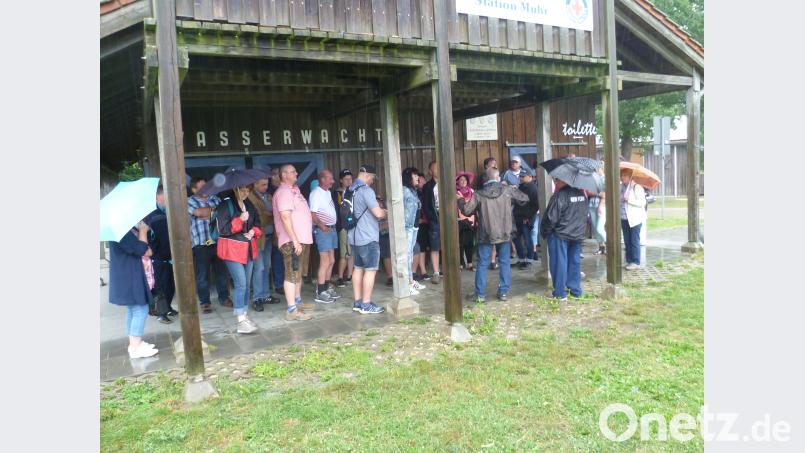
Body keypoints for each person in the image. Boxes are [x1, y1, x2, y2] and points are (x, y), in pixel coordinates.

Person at [458, 167, 529, 303]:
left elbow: (466, 210)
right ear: (498, 178)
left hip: (486, 233)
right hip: (505, 232)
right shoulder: (507, 190)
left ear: (486, 179)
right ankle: (503, 293)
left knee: (482, 264)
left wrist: (460, 200)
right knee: (504, 262)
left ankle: (480, 295)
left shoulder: (478, 194)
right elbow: (524, 199)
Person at [216, 184, 263, 334]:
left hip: (248, 249)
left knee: (246, 284)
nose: (245, 193)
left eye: (248, 190)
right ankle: (240, 321)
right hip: (232, 250)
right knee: (241, 283)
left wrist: (252, 231)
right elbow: (223, 229)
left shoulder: (249, 204)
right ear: (235, 189)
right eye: (242, 190)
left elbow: (258, 223)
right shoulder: (225, 205)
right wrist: (240, 220)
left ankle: (244, 314)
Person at [109, 220, 159, 358]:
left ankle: (134, 343)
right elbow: (142, 250)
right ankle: (136, 347)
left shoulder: (123, 229)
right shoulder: (121, 232)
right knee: (140, 309)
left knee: (133, 309)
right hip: (129, 275)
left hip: (127, 274)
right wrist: (143, 231)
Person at [274, 164, 315, 321]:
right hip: (292, 241)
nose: (296, 173)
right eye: (292, 171)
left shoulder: (294, 190)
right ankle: (291, 309)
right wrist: (295, 240)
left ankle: (297, 302)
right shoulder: (284, 192)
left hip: (301, 240)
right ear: (284, 175)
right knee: (291, 273)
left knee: (297, 274)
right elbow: (285, 217)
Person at [347, 164, 388, 314]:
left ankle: (358, 302)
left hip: (354, 237)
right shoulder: (366, 190)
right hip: (368, 237)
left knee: (357, 268)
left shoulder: (349, 189)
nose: (372, 181)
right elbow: (377, 214)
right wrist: (385, 212)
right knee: (370, 270)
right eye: (372, 178)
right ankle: (366, 304)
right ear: (367, 175)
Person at [187, 177, 232, 314]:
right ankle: (205, 302)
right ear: (194, 189)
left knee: (222, 273)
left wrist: (208, 213)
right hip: (201, 244)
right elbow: (198, 213)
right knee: (202, 276)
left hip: (219, 241)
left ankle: (224, 298)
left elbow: (223, 214)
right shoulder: (189, 201)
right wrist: (213, 212)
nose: (206, 188)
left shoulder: (215, 197)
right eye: (202, 186)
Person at [540, 177, 588, 300]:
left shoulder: (559, 195)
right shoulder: (581, 194)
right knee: (574, 262)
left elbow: (550, 218)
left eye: (557, 180)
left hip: (560, 234)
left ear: (564, 180)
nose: (555, 182)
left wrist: (545, 232)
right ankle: (575, 290)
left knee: (559, 263)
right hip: (576, 234)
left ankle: (560, 293)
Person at [247, 176, 281, 312]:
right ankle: (257, 298)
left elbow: (274, 213)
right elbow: (258, 217)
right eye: (262, 185)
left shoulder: (268, 196)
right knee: (259, 268)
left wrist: (269, 215)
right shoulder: (250, 198)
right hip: (257, 238)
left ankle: (266, 295)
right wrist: (269, 215)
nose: (265, 187)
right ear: (255, 184)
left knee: (267, 267)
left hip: (268, 236)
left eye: (266, 184)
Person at [145, 185, 177, 324]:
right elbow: (164, 240)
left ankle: (168, 308)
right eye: (165, 194)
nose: (168, 197)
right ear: (158, 196)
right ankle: (161, 313)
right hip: (159, 258)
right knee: (161, 287)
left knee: (170, 285)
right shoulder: (156, 216)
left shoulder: (161, 212)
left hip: (164, 257)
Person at [309, 169, 341, 303]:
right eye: (330, 178)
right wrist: (322, 226)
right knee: (325, 261)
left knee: (332, 260)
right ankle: (320, 291)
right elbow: (313, 214)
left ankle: (326, 288)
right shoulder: (316, 193)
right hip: (324, 231)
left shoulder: (327, 192)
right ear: (322, 179)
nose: (332, 181)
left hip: (331, 230)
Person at [402, 167, 425, 294]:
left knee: (410, 254)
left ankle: (410, 280)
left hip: (413, 226)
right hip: (407, 227)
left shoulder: (413, 190)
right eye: (415, 175)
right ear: (408, 177)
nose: (418, 178)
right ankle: (406, 285)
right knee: (406, 255)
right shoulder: (404, 190)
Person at [512, 169, 540, 270]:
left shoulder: (533, 188)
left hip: (526, 218)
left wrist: (527, 217)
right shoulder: (521, 186)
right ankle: (521, 259)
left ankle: (529, 260)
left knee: (527, 238)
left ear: (530, 177)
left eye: (523, 176)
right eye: (520, 176)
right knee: (516, 238)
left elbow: (536, 205)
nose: (521, 178)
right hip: (518, 217)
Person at [620, 168, 647, 270]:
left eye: (625, 175)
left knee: (634, 240)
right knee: (627, 241)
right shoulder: (621, 187)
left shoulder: (637, 187)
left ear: (630, 176)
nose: (623, 177)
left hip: (634, 219)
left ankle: (636, 262)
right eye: (622, 175)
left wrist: (629, 200)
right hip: (624, 218)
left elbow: (642, 203)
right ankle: (629, 261)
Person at [334, 169, 354, 288]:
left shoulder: (353, 192)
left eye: (350, 179)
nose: (349, 181)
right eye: (346, 179)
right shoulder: (337, 193)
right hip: (343, 226)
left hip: (353, 226)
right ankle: (341, 277)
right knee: (344, 253)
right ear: (341, 180)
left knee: (351, 253)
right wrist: (340, 226)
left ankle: (350, 275)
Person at [422, 161, 442, 284]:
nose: (437, 170)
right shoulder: (428, 186)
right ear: (430, 171)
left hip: (448, 217)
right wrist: (431, 218)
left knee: (448, 245)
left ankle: (449, 270)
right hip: (435, 218)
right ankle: (436, 273)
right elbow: (425, 205)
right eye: (435, 168)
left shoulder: (447, 183)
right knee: (435, 246)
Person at [267, 167, 285, 295]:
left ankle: (282, 284)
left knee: (284, 258)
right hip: (272, 228)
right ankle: (277, 285)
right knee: (274, 258)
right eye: (274, 174)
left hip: (286, 228)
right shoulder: (268, 192)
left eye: (279, 174)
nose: (277, 177)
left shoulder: (285, 189)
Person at [456, 171, 476, 271]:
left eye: (465, 180)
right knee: (460, 243)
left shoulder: (472, 191)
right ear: (457, 182)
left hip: (471, 220)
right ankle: (459, 264)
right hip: (459, 220)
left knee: (470, 243)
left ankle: (469, 263)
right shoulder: (455, 192)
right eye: (461, 180)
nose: (463, 181)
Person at [414, 169, 430, 281]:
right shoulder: (414, 193)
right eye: (419, 181)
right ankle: (423, 270)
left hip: (429, 222)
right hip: (420, 223)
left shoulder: (428, 191)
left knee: (429, 246)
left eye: (423, 180)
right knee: (421, 247)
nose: (422, 182)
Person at [587, 166, 607, 255]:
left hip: (602, 206)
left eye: (596, 169)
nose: (595, 171)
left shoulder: (605, 179)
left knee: (600, 228)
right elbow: (588, 192)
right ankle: (601, 247)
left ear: (601, 169)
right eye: (594, 169)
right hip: (592, 205)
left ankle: (610, 244)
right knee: (595, 228)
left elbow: (606, 195)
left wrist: (600, 204)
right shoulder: (592, 179)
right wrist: (599, 193)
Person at [377, 197, 394, 287]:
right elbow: (377, 227)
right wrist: (388, 224)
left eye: (380, 201)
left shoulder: (386, 210)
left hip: (392, 234)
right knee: (387, 254)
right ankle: (390, 276)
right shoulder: (374, 212)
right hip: (382, 235)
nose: (379, 203)